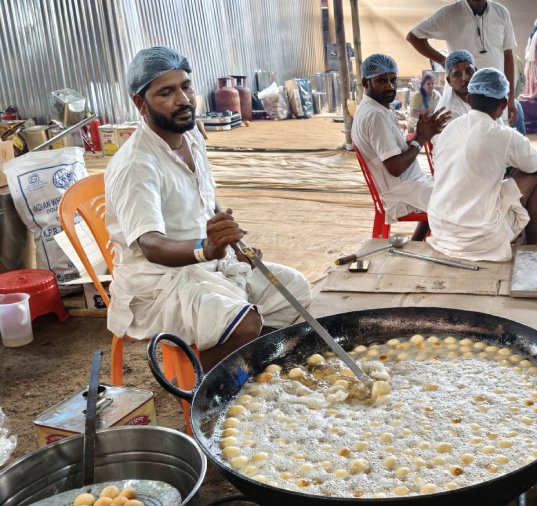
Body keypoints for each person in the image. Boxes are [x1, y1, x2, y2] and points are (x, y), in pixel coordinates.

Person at [104, 47, 313, 369]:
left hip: (209, 264)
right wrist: (207, 249)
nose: (183, 99)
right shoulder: (136, 164)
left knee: (294, 290)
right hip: (160, 284)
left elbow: (206, 201)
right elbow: (151, 245)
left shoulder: (191, 136)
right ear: (140, 103)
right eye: (166, 93)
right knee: (245, 324)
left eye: (185, 87)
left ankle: (252, 364)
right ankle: (201, 383)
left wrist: (234, 244)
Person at [428, 68, 537, 262]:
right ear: (503, 104)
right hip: (479, 239)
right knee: (532, 175)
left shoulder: (450, 128)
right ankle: (535, 243)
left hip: (441, 231)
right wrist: (520, 158)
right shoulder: (504, 135)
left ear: (469, 99)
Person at [351, 54, 451, 241]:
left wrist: (420, 134)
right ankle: (448, 247)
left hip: (408, 184)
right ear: (366, 83)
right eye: (382, 81)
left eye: (393, 80)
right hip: (400, 192)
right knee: (458, 200)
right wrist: (421, 138)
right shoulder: (375, 115)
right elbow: (395, 167)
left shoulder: (374, 108)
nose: (390, 86)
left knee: (449, 187)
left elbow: (395, 153)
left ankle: (418, 242)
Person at [407, 0, 518, 126]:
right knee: (463, 132)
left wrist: (511, 98)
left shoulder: (501, 13)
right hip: (462, 96)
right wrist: (444, 61)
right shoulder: (448, 14)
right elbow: (414, 37)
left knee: (497, 133)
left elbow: (508, 57)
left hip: (495, 95)